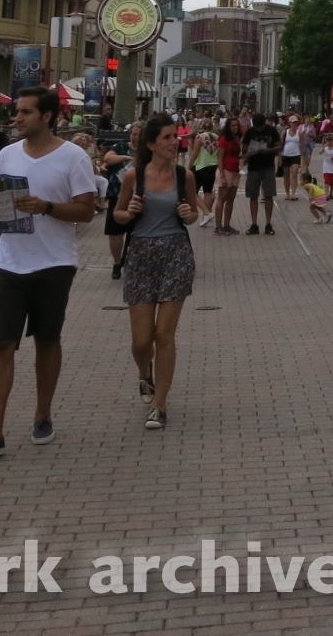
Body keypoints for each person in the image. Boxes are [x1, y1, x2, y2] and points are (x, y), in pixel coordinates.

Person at [0, 87, 98, 463]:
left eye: (25, 112)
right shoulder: (7, 155)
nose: (17, 118)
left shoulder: (73, 157)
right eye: (17, 112)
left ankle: (43, 414)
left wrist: (46, 207)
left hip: (54, 262)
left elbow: (87, 211)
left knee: (47, 340)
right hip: (8, 261)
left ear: (47, 116)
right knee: (0, 345)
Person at [110, 113, 199, 431]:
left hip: (175, 255)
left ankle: (160, 404)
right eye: (167, 137)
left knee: (164, 336)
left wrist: (188, 214)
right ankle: (144, 372)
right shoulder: (134, 176)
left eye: (176, 136)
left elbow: (193, 214)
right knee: (141, 340)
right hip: (141, 256)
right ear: (151, 144)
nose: (175, 142)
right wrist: (129, 211)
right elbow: (118, 215)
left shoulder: (184, 176)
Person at [243, 112, 281, 235]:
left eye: (261, 127)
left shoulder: (272, 130)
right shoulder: (250, 132)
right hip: (253, 167)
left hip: (268, 166)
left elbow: (279, 146)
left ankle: (268, 224)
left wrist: (268, 150)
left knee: (269, 194)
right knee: (253, 195)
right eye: (257, 127)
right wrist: (248, 152)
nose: (259, 129)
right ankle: (254, 224)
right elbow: (244, 148)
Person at [99, 144, 133, 278]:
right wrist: (126, 158)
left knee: (137, 234)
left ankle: (132, 263)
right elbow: (108, 159)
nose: (136, 137)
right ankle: (117, 263)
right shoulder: (120, 146)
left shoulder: (148, 147)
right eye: (134, 134)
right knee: (115, 233)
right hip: (116, 196)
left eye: (139, 135)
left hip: (139, 197)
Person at [213, 116, 243, 235]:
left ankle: (226, 225)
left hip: (235, 171)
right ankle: (218, 226)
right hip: (226, 171)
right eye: (233, 126)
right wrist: (222, 176)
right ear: (228, 127)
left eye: (236, 125)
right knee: (222, 199)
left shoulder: (236, 139)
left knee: (231, 199)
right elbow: (219, 157)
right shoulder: (223, 139)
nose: (235, 128)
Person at [280, 117, 304, 201]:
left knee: (294, 174)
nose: (294, 124)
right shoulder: (284, 132)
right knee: (286, 175)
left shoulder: (299, 133)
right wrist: (280, 157)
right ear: (289, 123)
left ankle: (293, 193)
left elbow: (303, 145)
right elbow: (281, 144)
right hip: (285, 155)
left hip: (295, 155)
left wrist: (305, 156)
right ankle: (287, 193)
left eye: (296, 122)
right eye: (293, 122)